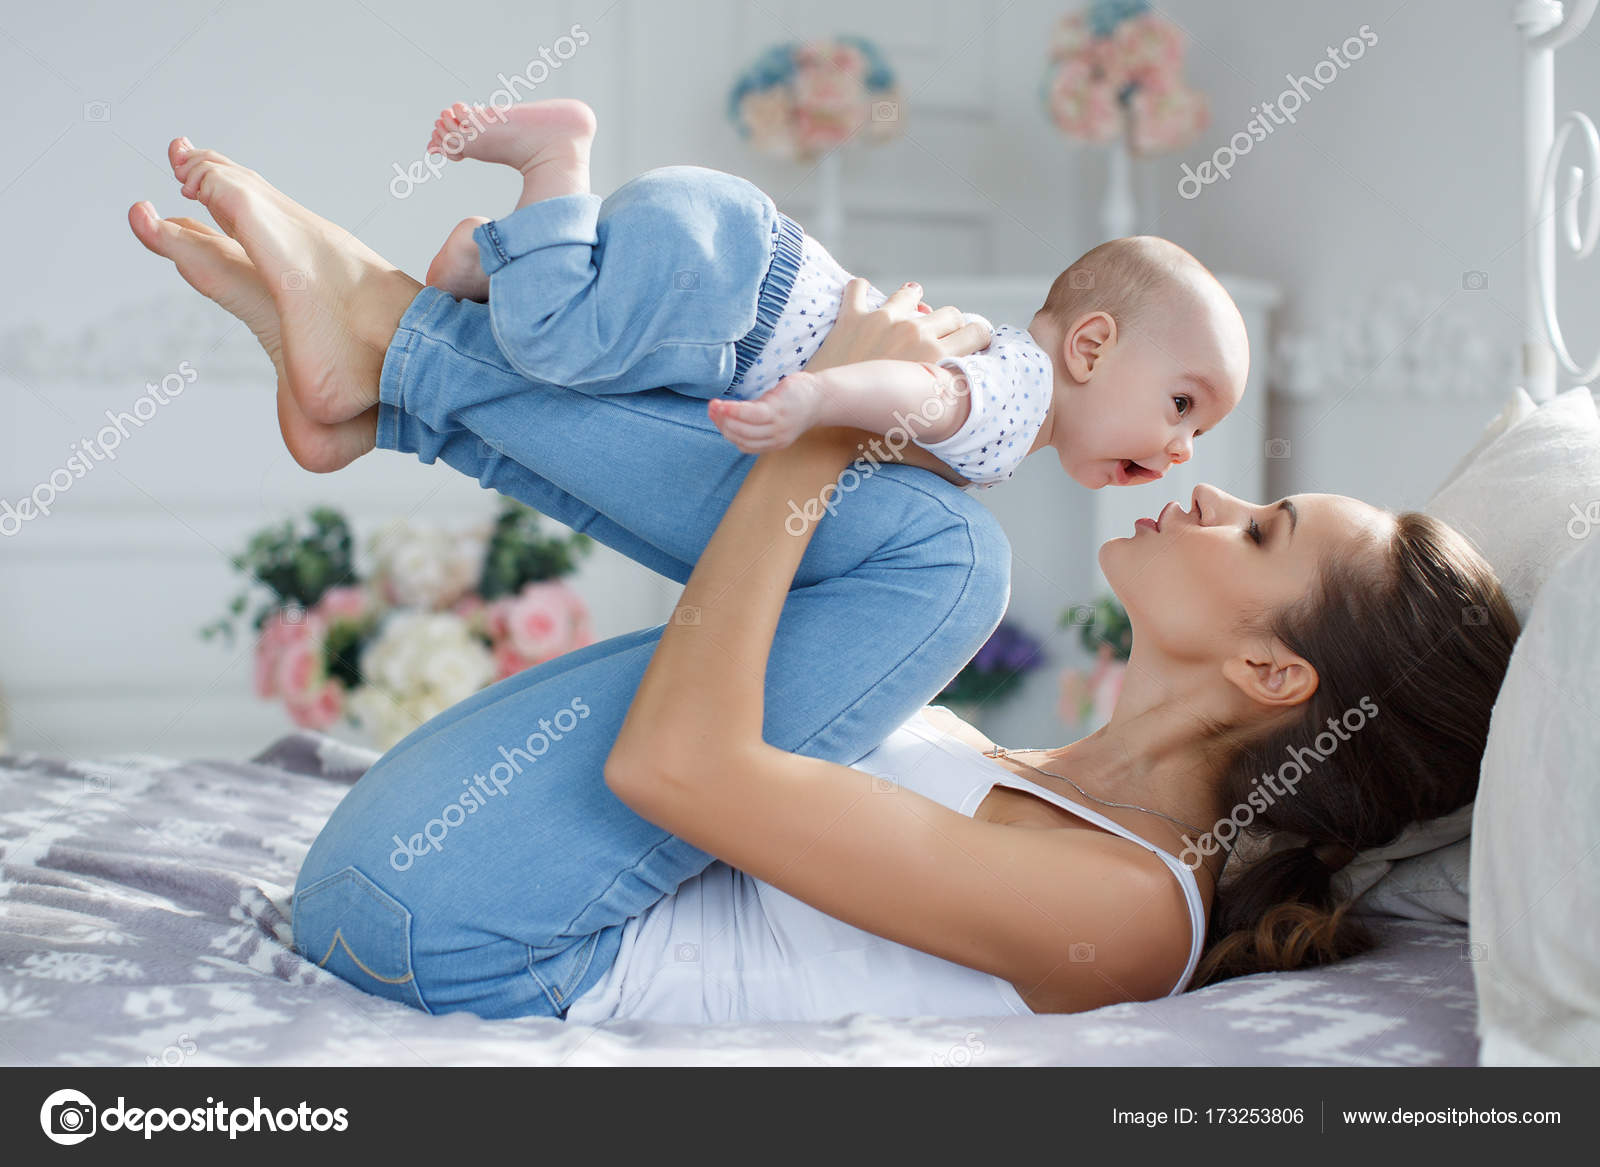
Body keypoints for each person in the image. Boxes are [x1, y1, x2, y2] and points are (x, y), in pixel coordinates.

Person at [128, 138, 1518, 1023]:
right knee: (920, 536)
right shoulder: (1011, 757)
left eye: (1262, 526)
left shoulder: (1136, 909)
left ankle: (399, 348)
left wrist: (830, 412)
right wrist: (830, 426)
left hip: (472, 931)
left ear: (1278, 676)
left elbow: (681, 764)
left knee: (944, 549)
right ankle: (390, 379)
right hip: (439, 877)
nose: (1207, 487)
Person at [408, 98, 1247, 488]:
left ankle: (488, 262)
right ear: (1092, 347)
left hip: (739, 246)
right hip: (737, 306)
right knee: (556, 345)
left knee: (589, 324)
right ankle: (555, 161)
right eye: (1181, 403)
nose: (1182, 450)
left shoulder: (1017, 373)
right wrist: (817, 397)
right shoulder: (1014, 413)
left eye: (1199, 429)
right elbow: (916, 392)